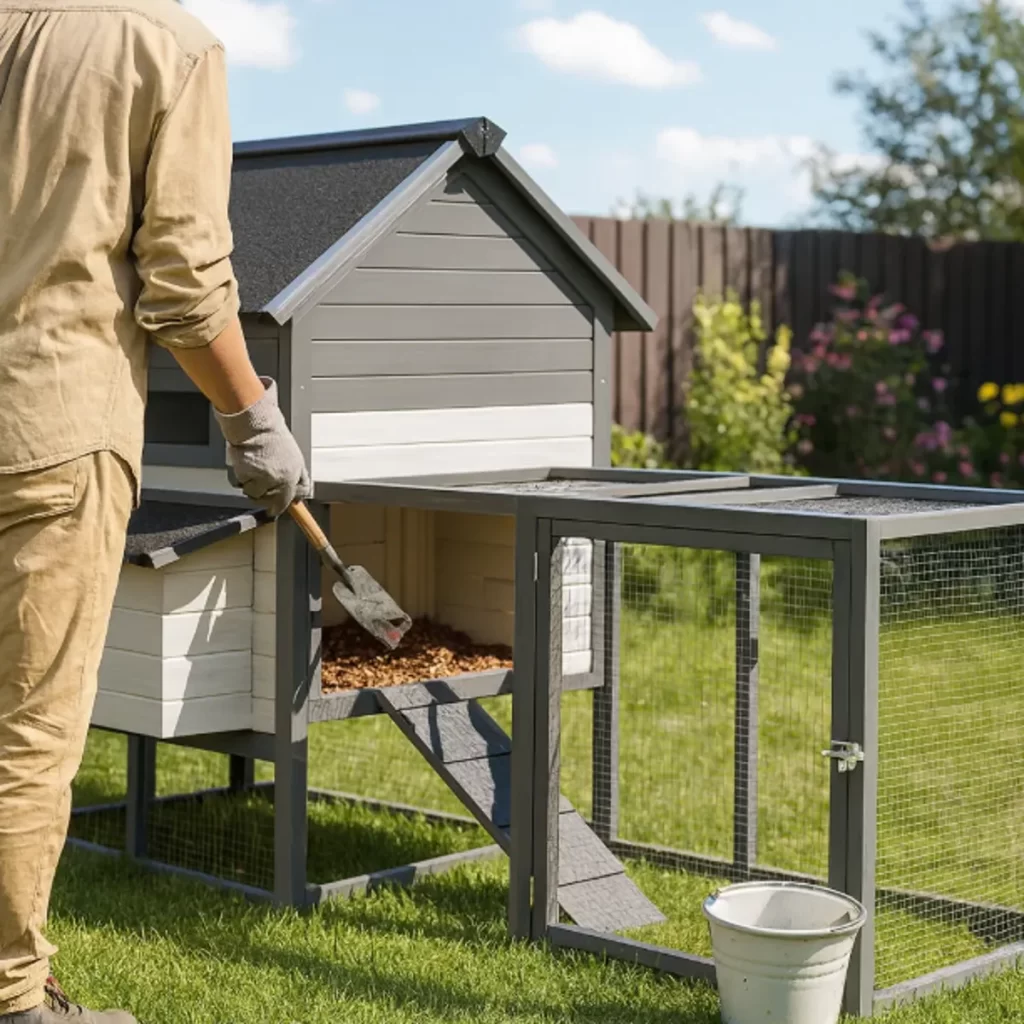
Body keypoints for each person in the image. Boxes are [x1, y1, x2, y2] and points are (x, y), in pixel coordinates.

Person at [0, 1, 311, 1019]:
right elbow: (181, 286)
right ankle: (10, 997)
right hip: (46, 429)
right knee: (27, 734)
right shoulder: (166, 44)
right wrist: (254, 421)